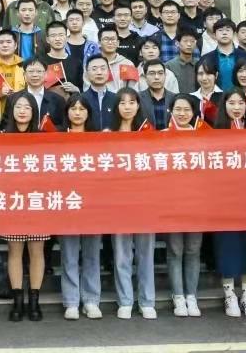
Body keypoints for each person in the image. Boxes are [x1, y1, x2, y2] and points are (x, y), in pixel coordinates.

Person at [211, 89, 246, 319]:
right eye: (231, 103)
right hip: (224, 201)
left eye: (240, 103)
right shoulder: (214, 134)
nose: (236, 107)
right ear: (224, 106)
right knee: (228, 247)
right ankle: (230, 295)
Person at [107, 89, 157, 320]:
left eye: (132, 102)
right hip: (118, 202)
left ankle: (147, 301)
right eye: (123, 103)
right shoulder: (108, 135)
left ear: (139, 106)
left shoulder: (148, 133)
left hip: (145, 201)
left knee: (146, 253)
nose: (127, 107)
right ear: (116, 107)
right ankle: (125, 300)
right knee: (121, 254)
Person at [1, 94, 47, 322]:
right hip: (12, 201)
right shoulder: (2, 138)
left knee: (37, 250)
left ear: (33, 112)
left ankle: (34, 300)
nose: (22, 111)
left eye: (27, 107)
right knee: (15, 251)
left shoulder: (43, 139)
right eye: (18, 106)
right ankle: (18, 300)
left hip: (37, 201)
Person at [58, 95, 102, 321]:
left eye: (82, 109)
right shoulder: (57, 138)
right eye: (73, 108)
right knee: (69, 255)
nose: (77, 113)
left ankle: (92, 300)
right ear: (67, 112)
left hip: (93, 203)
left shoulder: (98, 138)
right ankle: (72, 301)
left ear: (88, 113)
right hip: (67, 203)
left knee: (92, 254)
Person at [163, 94, 204, 318]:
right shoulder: (161, 136)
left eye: (187, 109)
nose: (182, 113)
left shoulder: (203, 136)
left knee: (193, 250)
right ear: (171, 111)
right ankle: (178, 296)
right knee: (175, 250)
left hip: (197, 202)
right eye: (178, 109)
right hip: (171, 203)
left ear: (194, 112)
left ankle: (191, 296)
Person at [9, 58, 67, 129]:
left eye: (39, 71)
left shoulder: (58, 100)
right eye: (31, 71)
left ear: (45, 74)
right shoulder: (13, 98)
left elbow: (63, 127)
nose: (35, 75)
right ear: (24, 75)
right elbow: (7, 125)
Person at [199, 18, 246, 91]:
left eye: (228, 30)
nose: (224, 33)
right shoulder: (206, 59)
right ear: (214, 35)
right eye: (220, 30)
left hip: (241, 96)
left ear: (234, 34)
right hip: (215, 96)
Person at [38, 20, 83, 93]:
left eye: (61, 35)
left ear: (66, 38)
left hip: (72, 99)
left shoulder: (76, 62)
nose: (57, 39)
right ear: (47, 39)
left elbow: (82, 88)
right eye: (53, 36)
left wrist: (76, 89)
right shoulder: (40, 61)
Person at [141, 59, 177, 129]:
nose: (156, 77)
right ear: (145, 77)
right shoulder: (138, 99)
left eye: (160, 73)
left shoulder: (175, 98)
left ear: (165, 75)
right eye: (152, 73)